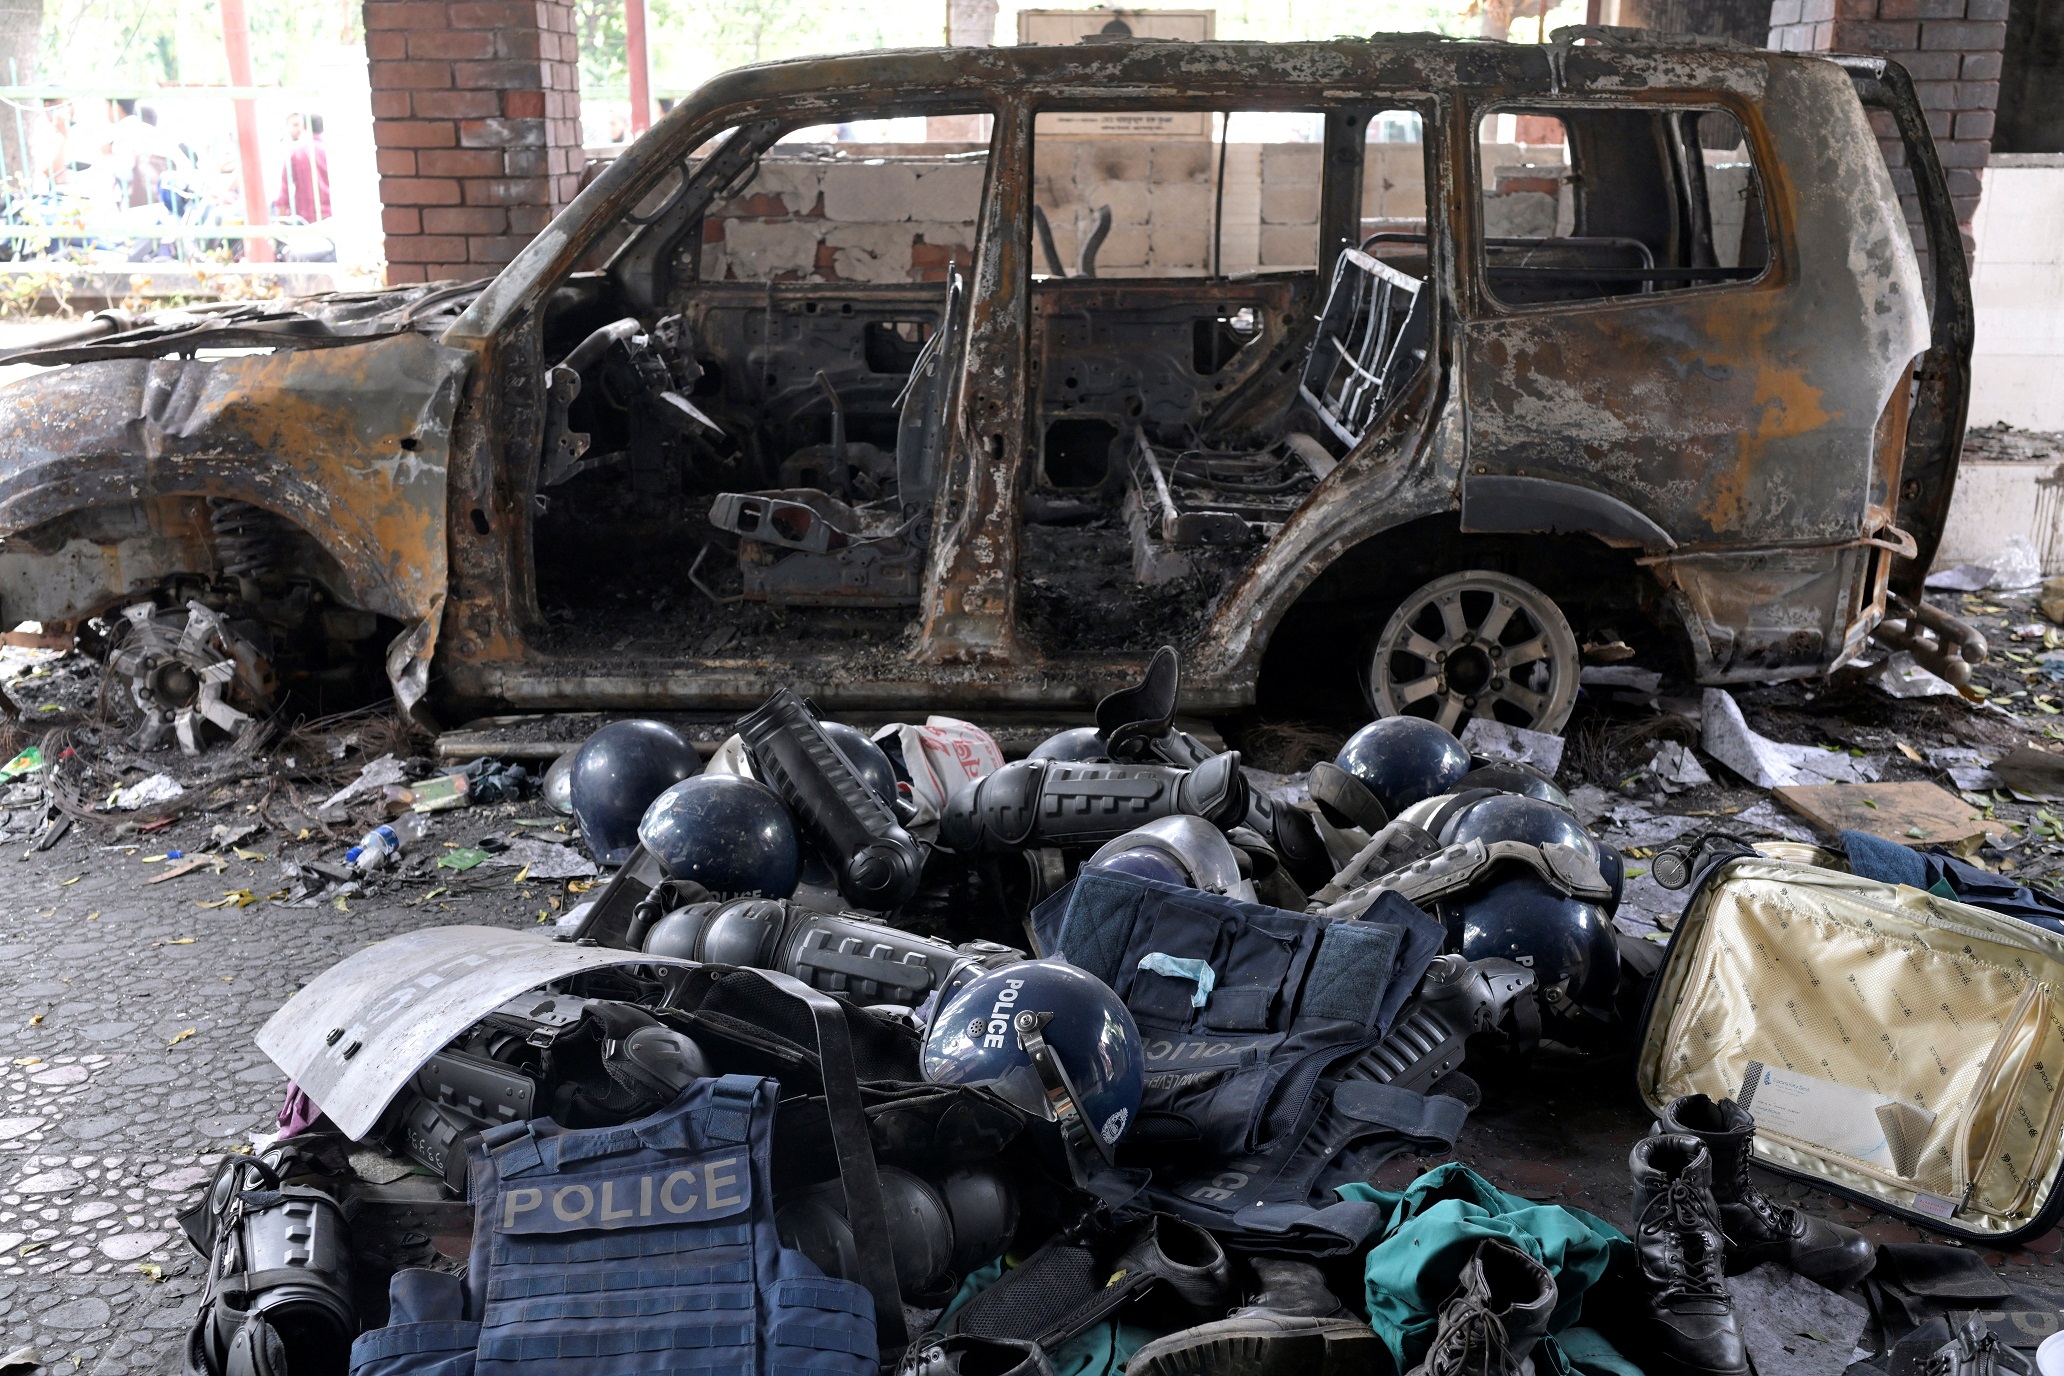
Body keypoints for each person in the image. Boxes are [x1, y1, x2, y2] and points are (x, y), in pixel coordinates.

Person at [272, 112, 332, 224]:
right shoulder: (332, 152)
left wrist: (280, 223)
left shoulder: (296, 153)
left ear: (304, 127)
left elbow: (284, 193)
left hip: (306, 221)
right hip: (331, 219)